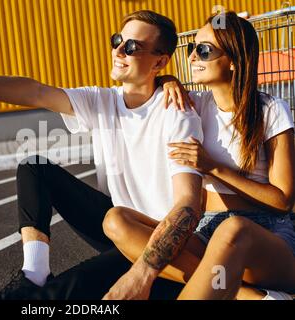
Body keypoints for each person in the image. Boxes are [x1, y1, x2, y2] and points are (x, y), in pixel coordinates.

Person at [0, 10, 205, 300]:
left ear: (160, 61)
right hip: (114, 224)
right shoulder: (102, 101)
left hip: (159, 245)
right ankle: (34, 275)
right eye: (117, 40)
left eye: (132, 47)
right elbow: (32, 91)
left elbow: (187, 207)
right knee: (33, 167)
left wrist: (144, 271)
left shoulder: (176, 112)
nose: (119, 51)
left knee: (61, 295)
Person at [102, 11, 295, 300]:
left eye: (203, 51)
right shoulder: (192, 104)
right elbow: (149, 83)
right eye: (192, 49)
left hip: (266, 236)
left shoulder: (269, 109)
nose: (192, 58)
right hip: (208, 231)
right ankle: (249, 297)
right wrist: (167, 79)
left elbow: (283, 201)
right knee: (117, 219)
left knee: (233, 229)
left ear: (233, 60)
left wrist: (213, 167)